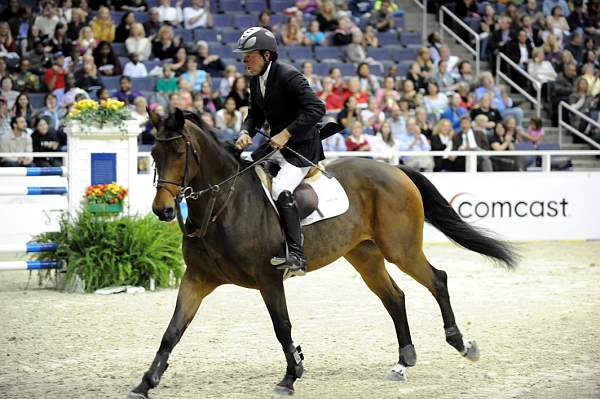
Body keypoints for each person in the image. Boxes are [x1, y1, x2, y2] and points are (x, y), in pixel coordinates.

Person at [233, 27, 326, 276]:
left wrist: (287, 133)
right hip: (276, 146)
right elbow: (255, 114)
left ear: (266, 55)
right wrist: (246, 133)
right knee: (243, 171)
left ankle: (296, 255)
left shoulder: (289, 76)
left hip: (301, 149)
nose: (244, 61)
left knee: (280, 189)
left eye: (248, 56)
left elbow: (317, 108)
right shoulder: (256, 80)